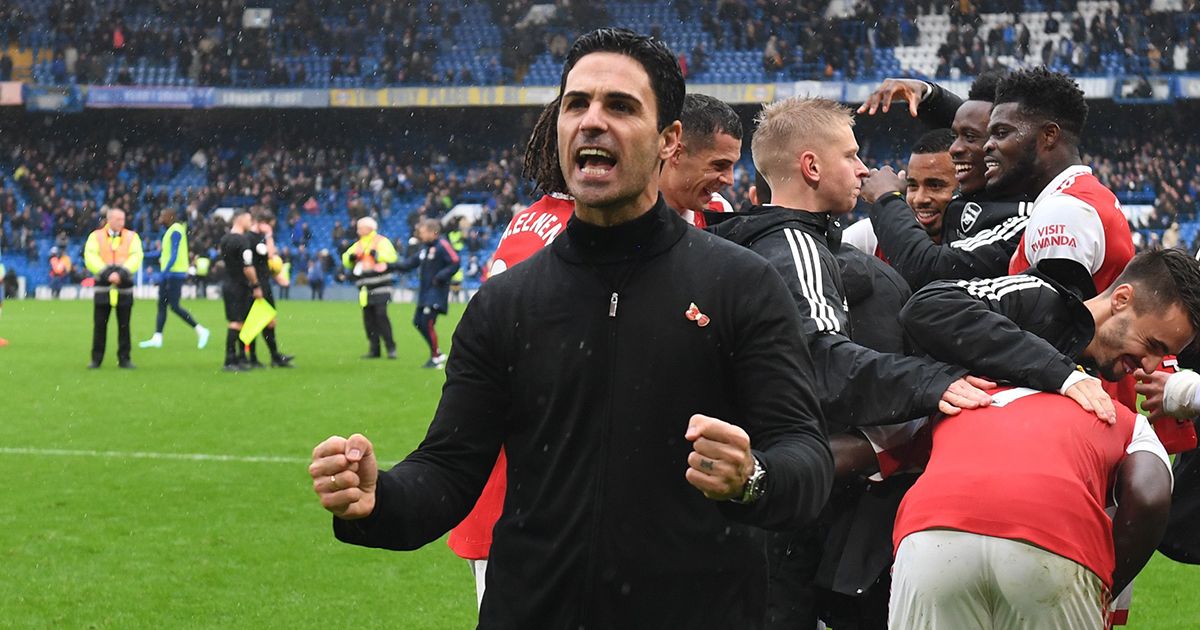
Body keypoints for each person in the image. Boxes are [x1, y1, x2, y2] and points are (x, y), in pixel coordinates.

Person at [309, 28, 833, 628]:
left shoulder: (740, 284)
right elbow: (450, 470)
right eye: (575, 103)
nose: (591, 120)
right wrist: (377, 502)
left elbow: (806, 460)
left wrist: (753, 479)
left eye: (620, 106)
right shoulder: (506, 304)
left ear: (668, 140)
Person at [706, 96, 992, 630]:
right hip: (788, 507)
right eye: (852, 155)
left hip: (764, 496)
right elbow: (821, 364)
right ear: (811, 167)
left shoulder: (772, 244)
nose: (864, 169)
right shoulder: (795, 245)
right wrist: (933, 382)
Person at [888, 387, 1172, 629]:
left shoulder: (957, 397)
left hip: (930, 534)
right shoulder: (1117, 414)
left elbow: (866, 451)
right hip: (1054, 538)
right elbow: (1149, 498)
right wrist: (1109, 582)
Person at [902, 248, 1200, 424]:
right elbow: (929, 307)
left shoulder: (1098, 376)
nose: (1150, 366)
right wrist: (1061, 374)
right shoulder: (1038, 299)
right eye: (1152, 345)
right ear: (1121, 299)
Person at [856, 72, 1035, 290]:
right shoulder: (867, 234)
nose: (954, 148)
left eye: (936, 185)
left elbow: (929, 271)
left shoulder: (1025, 218)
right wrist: (928, 94)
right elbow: (977, 122)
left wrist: (887, 198)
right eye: (913, 185)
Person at [843, 129, 956, 258]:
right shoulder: (870, 235)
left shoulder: (979, 243)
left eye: (935, 186)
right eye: (912, 186)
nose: (919, 199)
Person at [659, 93, 741, 227]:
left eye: (732, 166)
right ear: (676, 153)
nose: (730, 180)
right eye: (719, 165)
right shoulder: (623, 214)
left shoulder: (719, 211)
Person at [140, 209, 209, 350]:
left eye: (161, 216)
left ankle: (201, 330)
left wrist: (163, 273)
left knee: (174, 306)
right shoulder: (172, 230)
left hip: (173, 274)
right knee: (162, 305)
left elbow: (174, 255)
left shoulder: (175, 230)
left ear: (168, 217)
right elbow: (165, 253)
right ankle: (157, 337)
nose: (159, 218)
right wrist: (145, 255)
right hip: (170, 274)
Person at [394, 218, 458, 368]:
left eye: (422, 232)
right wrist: (388, 266)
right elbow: (408, 264)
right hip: (425, 294)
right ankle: (437, 353)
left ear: (433, 232)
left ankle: (435, 358)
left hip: (436, 293)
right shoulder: (425, 249)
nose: (420, 235)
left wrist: (440, 277)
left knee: (427, 322)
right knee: (418, 322)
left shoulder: (442, 245)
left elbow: (455, 261)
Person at [84, 207, 143, 369]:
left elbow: (136, 257)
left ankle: (124, 358)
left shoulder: (132, 237)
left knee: (125, 326)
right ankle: (96, 359)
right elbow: (90, 257)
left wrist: (121, 273)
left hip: (124, 289)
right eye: (118, 220)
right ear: (109, 220)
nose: (121, 223)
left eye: (123, 219)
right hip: (103, 289)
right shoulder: (96, 236)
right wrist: (107, 273)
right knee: (99, 326)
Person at [342, 217, 399, 359]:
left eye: (360, 227)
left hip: (381, 286)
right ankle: (374, 349)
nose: (358, 230)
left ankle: (390, 347)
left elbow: (391, 257)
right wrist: (350, 259)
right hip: (365, 289)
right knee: (369, 320)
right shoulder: (358, 244)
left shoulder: (381, 241)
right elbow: (346, 258)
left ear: (369, 228)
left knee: (381, 316)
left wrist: (378, 255)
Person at [245, 208, 293, 368]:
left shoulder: (257, 238)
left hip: (263, 283)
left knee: (269, 321)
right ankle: (253, 358)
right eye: (269, 225)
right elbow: (270, 256)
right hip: (256, 285)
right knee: (257, 321)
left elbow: (264, 263)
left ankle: (274, 356)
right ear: (262, 224)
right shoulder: (252, 239)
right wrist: (269, 235)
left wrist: (275, 275)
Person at [218, 210, 261, 372]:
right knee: (237, 323)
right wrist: (256, 285)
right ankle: (230, 359)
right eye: (249, 219)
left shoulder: (225, 239)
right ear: (240, 219)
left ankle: (237, 358)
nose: (251, 222)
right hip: (239, 286)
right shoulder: (242, 241)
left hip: (228, 283)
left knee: (237, 321)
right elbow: (247, 267)